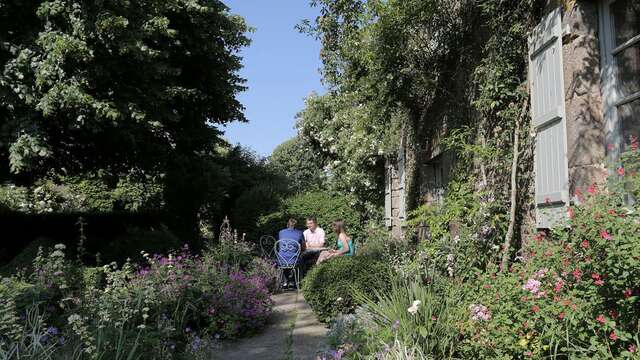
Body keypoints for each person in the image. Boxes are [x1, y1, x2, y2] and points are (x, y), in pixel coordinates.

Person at [277, 218, 304, 289]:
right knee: (300, 260)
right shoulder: (300, 233)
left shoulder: (281, 232)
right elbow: (303, 247)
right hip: (293, 260)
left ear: (287, 225)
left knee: (286, 258)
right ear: (296, 227)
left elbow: (280, 244)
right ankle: (294, 282)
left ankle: (285, 282)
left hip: (281, 259)